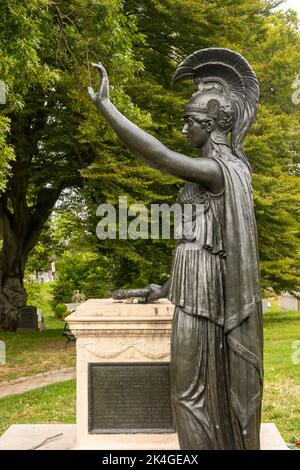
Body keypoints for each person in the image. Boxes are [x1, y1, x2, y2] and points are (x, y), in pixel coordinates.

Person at [88, 48, 263, 450]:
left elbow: (160, 156)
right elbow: (201, 241)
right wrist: (165, 288)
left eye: (189, 122)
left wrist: (108, 109)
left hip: (204, 301)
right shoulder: (208, 176)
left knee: (188, 395)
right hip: (190, 292)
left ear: (210, 124)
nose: (183, 130)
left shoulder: (220, 170)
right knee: (191, 394)